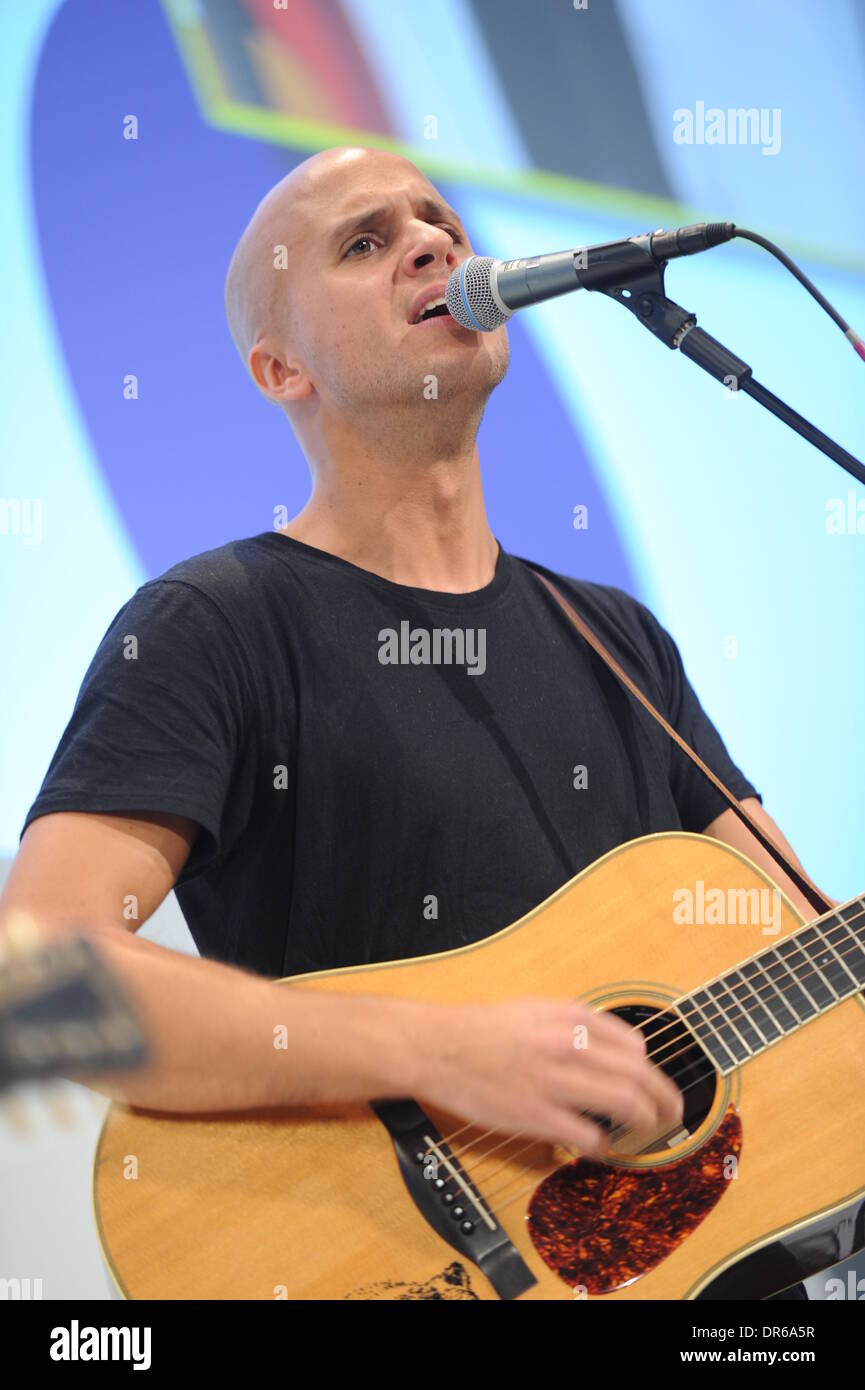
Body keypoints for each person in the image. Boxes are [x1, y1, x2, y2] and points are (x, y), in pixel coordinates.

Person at [0, 147, 831, 1155]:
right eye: (365, 242)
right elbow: (35, 979)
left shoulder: (619, 639)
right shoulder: (210, 625)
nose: (433, 244)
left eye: (440, 225)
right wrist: (440, 1051)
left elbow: (807, 950)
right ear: (282, 367)